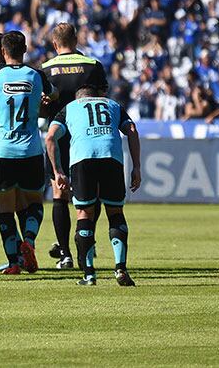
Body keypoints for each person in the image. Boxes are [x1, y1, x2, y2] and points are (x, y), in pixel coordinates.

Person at [45, 85, 142, 287]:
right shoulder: (112, 104)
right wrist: (137, 167)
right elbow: (131, 129)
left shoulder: (70, 108)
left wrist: (57, 171)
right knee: (115, 213)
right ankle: (120, 269)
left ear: (79, 97)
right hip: (111, 158)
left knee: (84, 214)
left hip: (82, 160)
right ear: (97, 95)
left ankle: (89, 276)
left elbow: (50, 137)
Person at [0, 31, 57, 274]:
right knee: (32, 202)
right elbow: (53, 95)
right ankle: (29, 243)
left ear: (3, 52)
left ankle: (14, 260)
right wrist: (41, 100)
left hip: (4, 150)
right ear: (24, 50)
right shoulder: (36, 75)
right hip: (32, 150)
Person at [40, 23, 108, 269]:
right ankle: (86, 239)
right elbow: (103, 102)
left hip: (58, 137)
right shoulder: (93, 66)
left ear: (55, 44)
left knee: (59, 192)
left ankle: (66, 254)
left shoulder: (45, 69)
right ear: (76, 40)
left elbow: (42, 107)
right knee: (92, 194)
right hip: (88, 137)